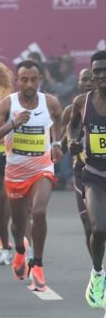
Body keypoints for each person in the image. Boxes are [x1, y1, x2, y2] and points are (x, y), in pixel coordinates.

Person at [0, 60, 63, 292]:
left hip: (42, 169)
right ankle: (19, 249)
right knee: (18, 224)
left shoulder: (50, 102)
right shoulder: (8, 104)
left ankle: (37, 264)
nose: (29, 84)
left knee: (38, 212)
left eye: (33, 80)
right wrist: (12, 124)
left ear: (40, 80)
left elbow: (58, 120)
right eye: (24, 80)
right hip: (15, 172)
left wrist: (57, 143)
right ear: (17, 80)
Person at [68, 51, 106, 318]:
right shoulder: (82, 102)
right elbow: (71, 126)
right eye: (97, 71)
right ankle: (97, 274)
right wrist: (72, 141)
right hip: (94, 174)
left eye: (105, 71)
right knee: (99, 228)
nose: (102, 76)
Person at [61, 69, 94, 258]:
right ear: (79, 83)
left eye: (91, 79)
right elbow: (62, 143)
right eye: (84, 79)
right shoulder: (71, 110)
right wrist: (67, 144)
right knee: (89, 226)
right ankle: (98, 269)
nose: (88, 83)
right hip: (82, 173)